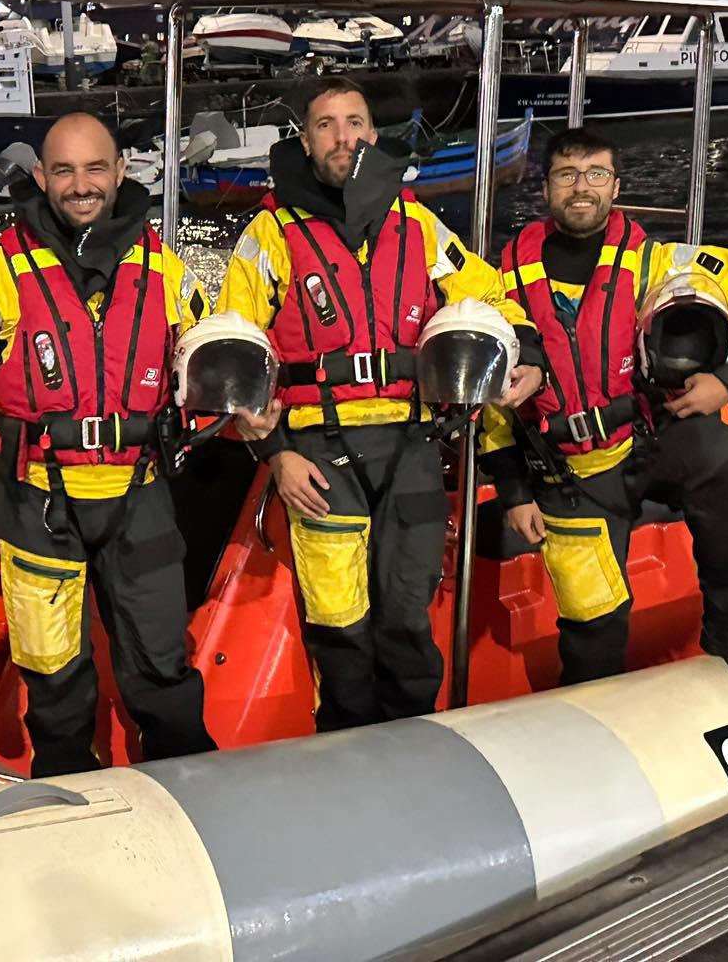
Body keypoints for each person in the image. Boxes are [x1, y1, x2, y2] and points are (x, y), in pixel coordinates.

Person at [221, 76, 545, 732]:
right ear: (305, 141)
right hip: (317, 454)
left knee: (407, 619)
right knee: (339, 628)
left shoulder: (419, 225)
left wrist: (529, 355)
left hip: (412, 448)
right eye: (326, 125)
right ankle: (348, 751)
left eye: (354, 123)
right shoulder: (270, 234)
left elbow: (491, 296)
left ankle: (412, 747)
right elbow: (234, 348)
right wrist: (276, 455)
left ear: (373, 134)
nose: (342, 137)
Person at [0, 112, 218, 776]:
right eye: (64, 171)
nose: (81, 185)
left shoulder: (167, 273)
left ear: (120, 172)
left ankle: (187, 791)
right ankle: (69, 797)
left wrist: (249, 404)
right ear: (40, 177)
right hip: (38, 502)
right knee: (52, 679)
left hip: (139, 493)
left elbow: (207, 361)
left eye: (94, 168)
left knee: (163, 667)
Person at [482, 127, 728, 687]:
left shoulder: (659, 263)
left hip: (649, 439)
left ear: (615, 186)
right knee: (592, 630)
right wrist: (513, 492)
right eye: (567, 175)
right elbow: (495, 406)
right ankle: (595, 703)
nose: (582, 187)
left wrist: (726, 380)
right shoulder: (500, 283)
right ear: (546, 188)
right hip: (566, 471)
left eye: (596, 174)